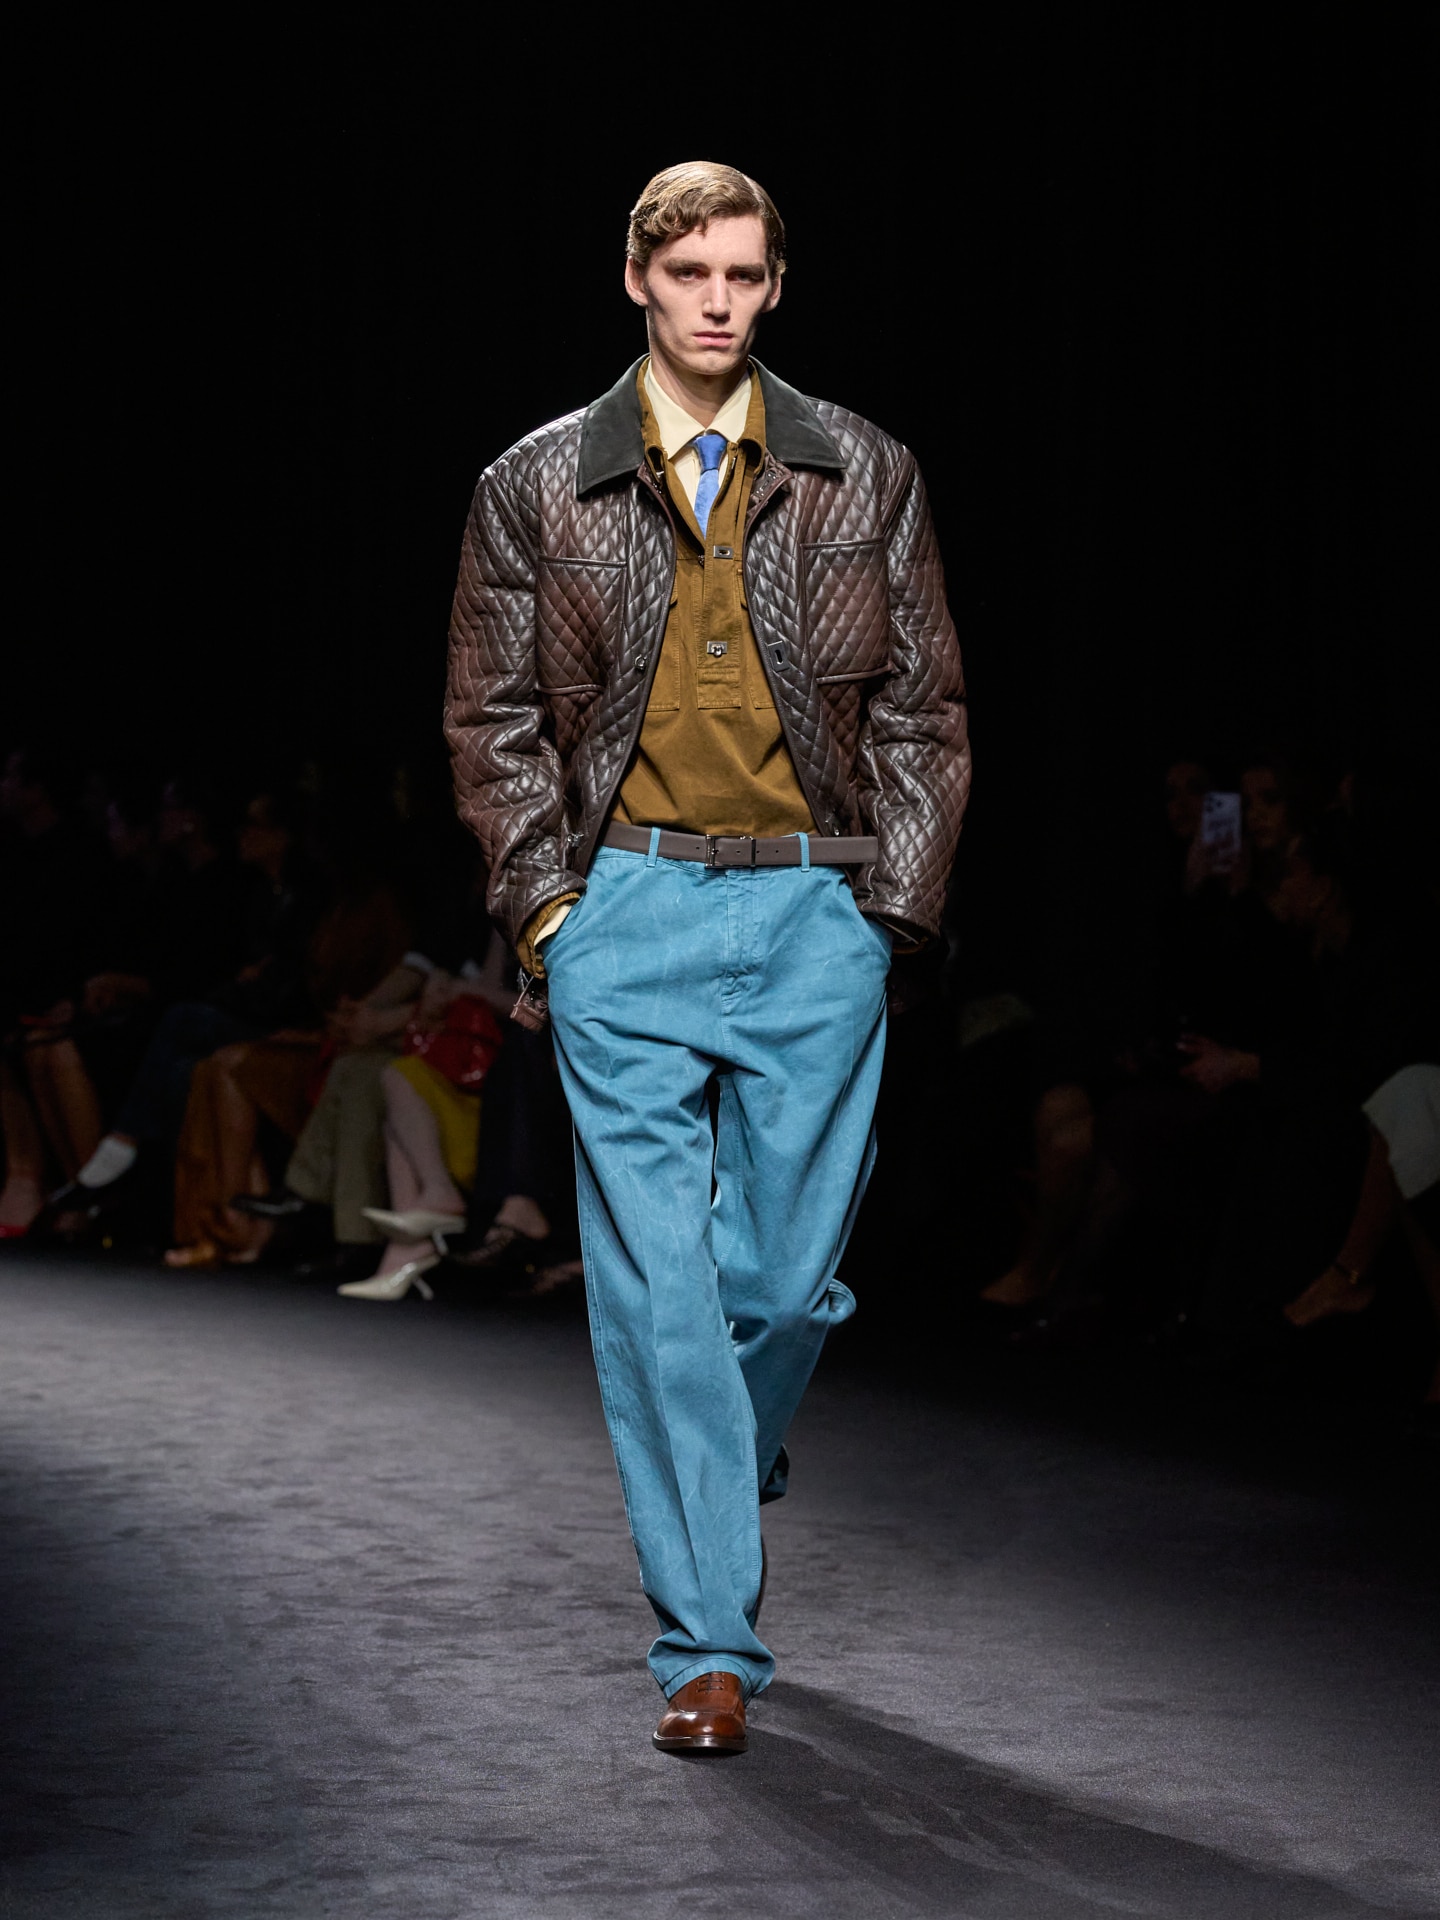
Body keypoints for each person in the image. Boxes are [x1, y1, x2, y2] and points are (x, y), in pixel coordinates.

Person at [445, 162, 969, 1753]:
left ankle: (724, 1448)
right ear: (638, 281)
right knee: (659, 1292)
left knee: (783, 1286)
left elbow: (926, 713)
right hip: (626, 910)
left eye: (745, 275)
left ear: (776, 286)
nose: (719, 302)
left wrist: (889, 918)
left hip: (818, 913)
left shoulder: (864, 468)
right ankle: (708, 1651)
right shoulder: (537, 482)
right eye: (691, 275)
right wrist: (552, 914)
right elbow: (491, 718)